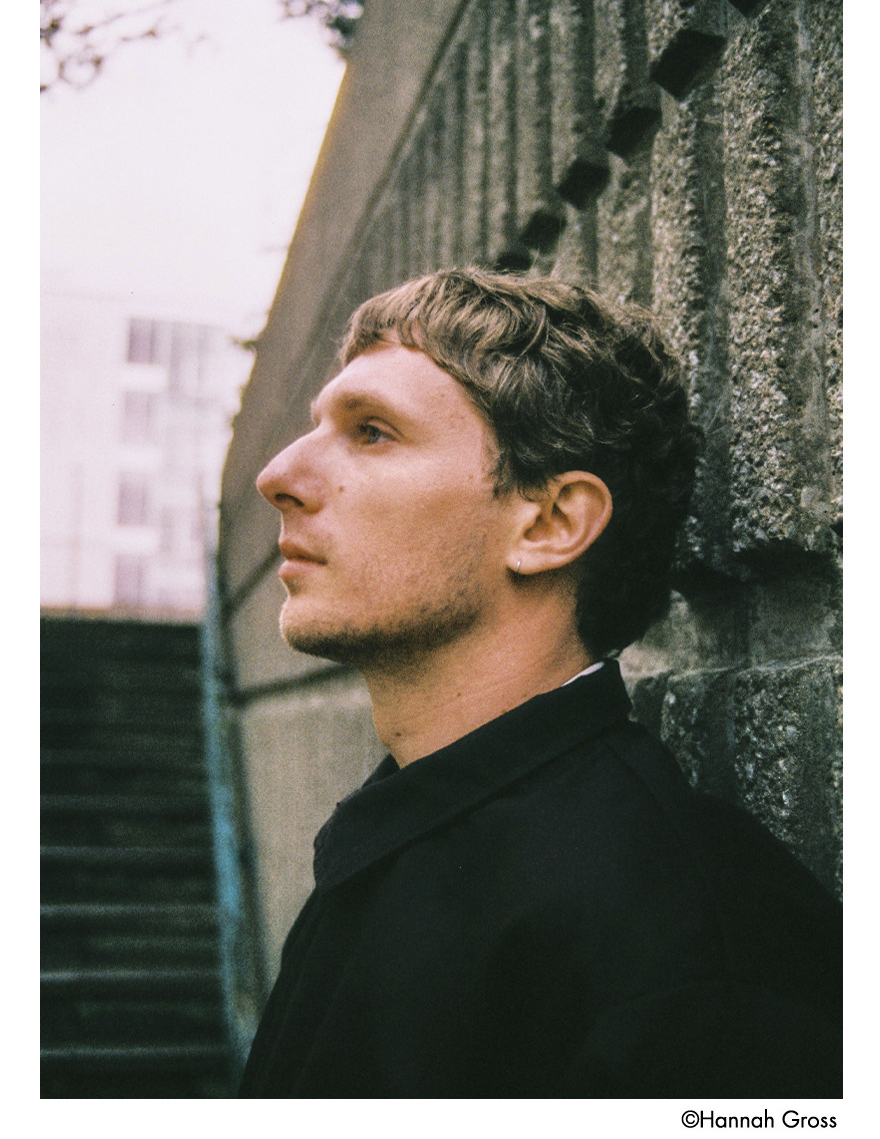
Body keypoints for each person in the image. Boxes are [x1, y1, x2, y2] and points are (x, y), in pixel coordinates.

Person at [238, 268, 842, 1099]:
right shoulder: (402, 832)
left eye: (372, 432)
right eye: (317, 427)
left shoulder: (684, 955)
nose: (278, 473)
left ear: (550, 524)